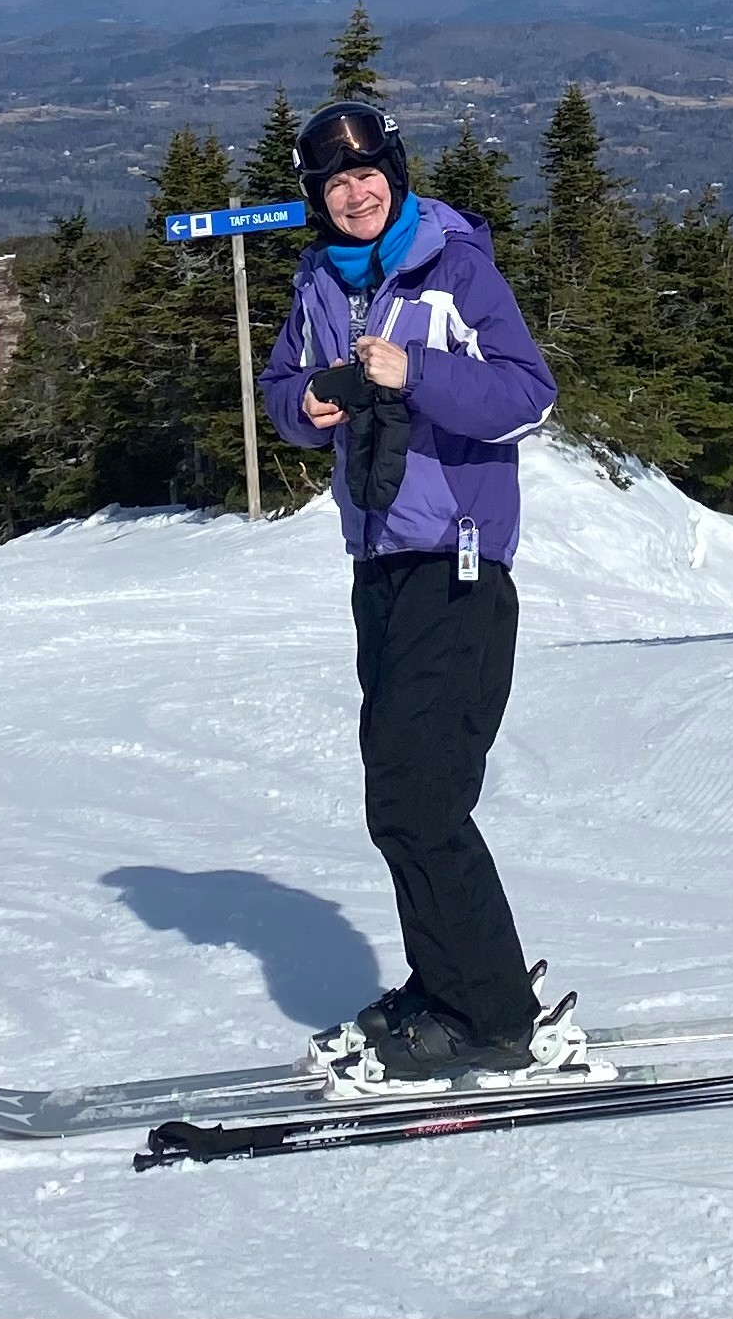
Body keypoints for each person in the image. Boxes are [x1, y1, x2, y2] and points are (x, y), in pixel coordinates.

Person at [259, 101, 557, 1081]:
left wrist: (417, 370)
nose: (355, 191)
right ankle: (449, 987)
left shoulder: (455, 264)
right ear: (318, 197)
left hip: (461, 563)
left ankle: (491, 1016)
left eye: (368, 172)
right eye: (335, 182)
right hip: (378, 564)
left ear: (395, 169)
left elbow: (527, 393)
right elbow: (282, 385)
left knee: (419, 796)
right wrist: (301, 407)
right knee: (398, 794)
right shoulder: (318, 281)